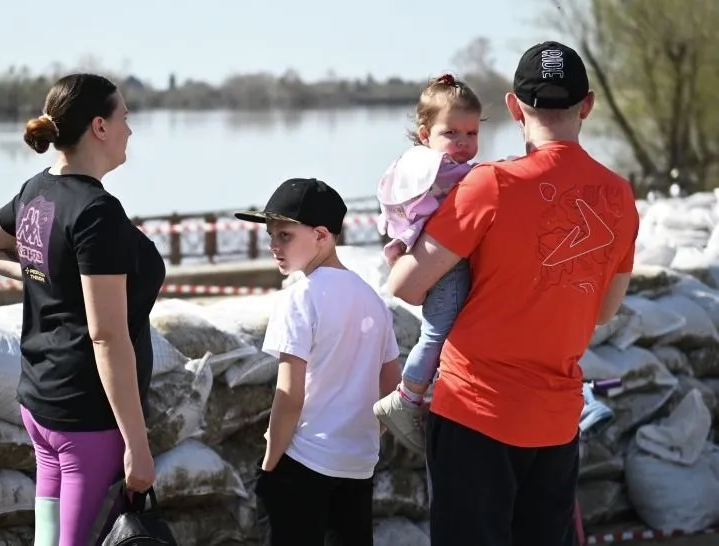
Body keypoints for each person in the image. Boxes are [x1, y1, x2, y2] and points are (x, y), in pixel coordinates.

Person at [385, 41, 640, 546]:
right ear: (586, 104)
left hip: (474, 414)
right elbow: (605, 310)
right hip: (557, 421)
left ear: (512, 106)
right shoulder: (619, 196)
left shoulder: (490, 184)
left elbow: (406, 286)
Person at [0, 73, 165, 546]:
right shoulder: (97, 212)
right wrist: (138, 447)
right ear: (99, 126)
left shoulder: (36, 190)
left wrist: (41, 275)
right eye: (124, 118)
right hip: (86, 418)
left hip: (41, 401)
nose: (130, 131)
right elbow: (107, 337)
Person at [234, 178, 402, 546]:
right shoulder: (372, 299)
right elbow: (392, 385)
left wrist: (269, 461)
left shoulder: (299, 298)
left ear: (322, 235)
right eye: (271, 235)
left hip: (303, 461)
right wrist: (361, 436)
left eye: (285, 236)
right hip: (357, 464)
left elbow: (289, 394)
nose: (273, 246)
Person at [373, 74, 482, 454]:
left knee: (444, 329)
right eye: (452, 133)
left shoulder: (410, 164)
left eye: (472, 133)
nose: (464, 144)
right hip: (443, 263)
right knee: (436, 332)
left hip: (429, 255)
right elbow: (478, 182)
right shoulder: (441, 167)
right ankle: (407, 396)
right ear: (425, 134)